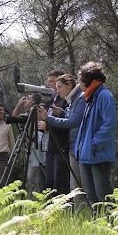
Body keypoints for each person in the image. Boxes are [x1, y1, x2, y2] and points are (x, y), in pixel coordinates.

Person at [37, 74, 86, 210]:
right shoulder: (72, 100)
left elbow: (73, 122)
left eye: (59, 87)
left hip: (72, 147)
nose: (57, 90)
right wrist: (63, 113)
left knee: (76, 186)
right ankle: (71, 213)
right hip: (70, 147)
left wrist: (49, 119)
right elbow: (71, 118)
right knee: (62, 184)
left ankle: (77, 213)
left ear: (69, 85)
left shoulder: (80, 98)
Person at [74, 61, 117, 215]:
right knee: (92, 197)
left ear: (88, 79)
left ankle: (111, 227)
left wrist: (93, 144)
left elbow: (109, 124)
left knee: (104, 196)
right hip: (87, 156)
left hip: (98, 155)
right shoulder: (89, 97)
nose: (78, 83)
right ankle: (98, 229)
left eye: (79, 80)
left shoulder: (104, 95)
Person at [39, 69, 70, 197]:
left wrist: (48, 126)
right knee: (49, 181)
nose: (49, 84)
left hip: (60, 147)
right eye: (48, 81)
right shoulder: (52, 100)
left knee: (60, 182)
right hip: (49, 147)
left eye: (52, 81)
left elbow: (68, 124)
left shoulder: (65, 101)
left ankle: (64, 211)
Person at [12, 95, 46, 199]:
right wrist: (19, 104)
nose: (25, 100)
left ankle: (35, 199)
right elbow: (14, 117)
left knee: (33, 176)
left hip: (37, 147)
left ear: (33, 101)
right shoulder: (26, 114)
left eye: (28, 98)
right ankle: (33, 197)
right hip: (27, 148)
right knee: (30, 176)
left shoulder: (39, 111)